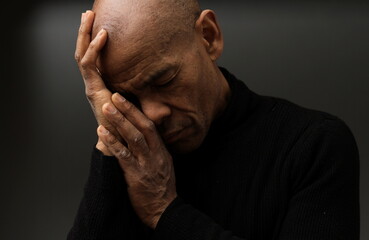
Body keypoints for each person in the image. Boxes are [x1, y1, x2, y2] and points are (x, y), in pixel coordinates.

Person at [68, 0, 360, 239]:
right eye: (127, 96)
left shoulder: (313, 146)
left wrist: (164, 210)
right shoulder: (131, 159)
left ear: (209, 36)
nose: (153, 115)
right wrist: (112, 137)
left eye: (164, 80)